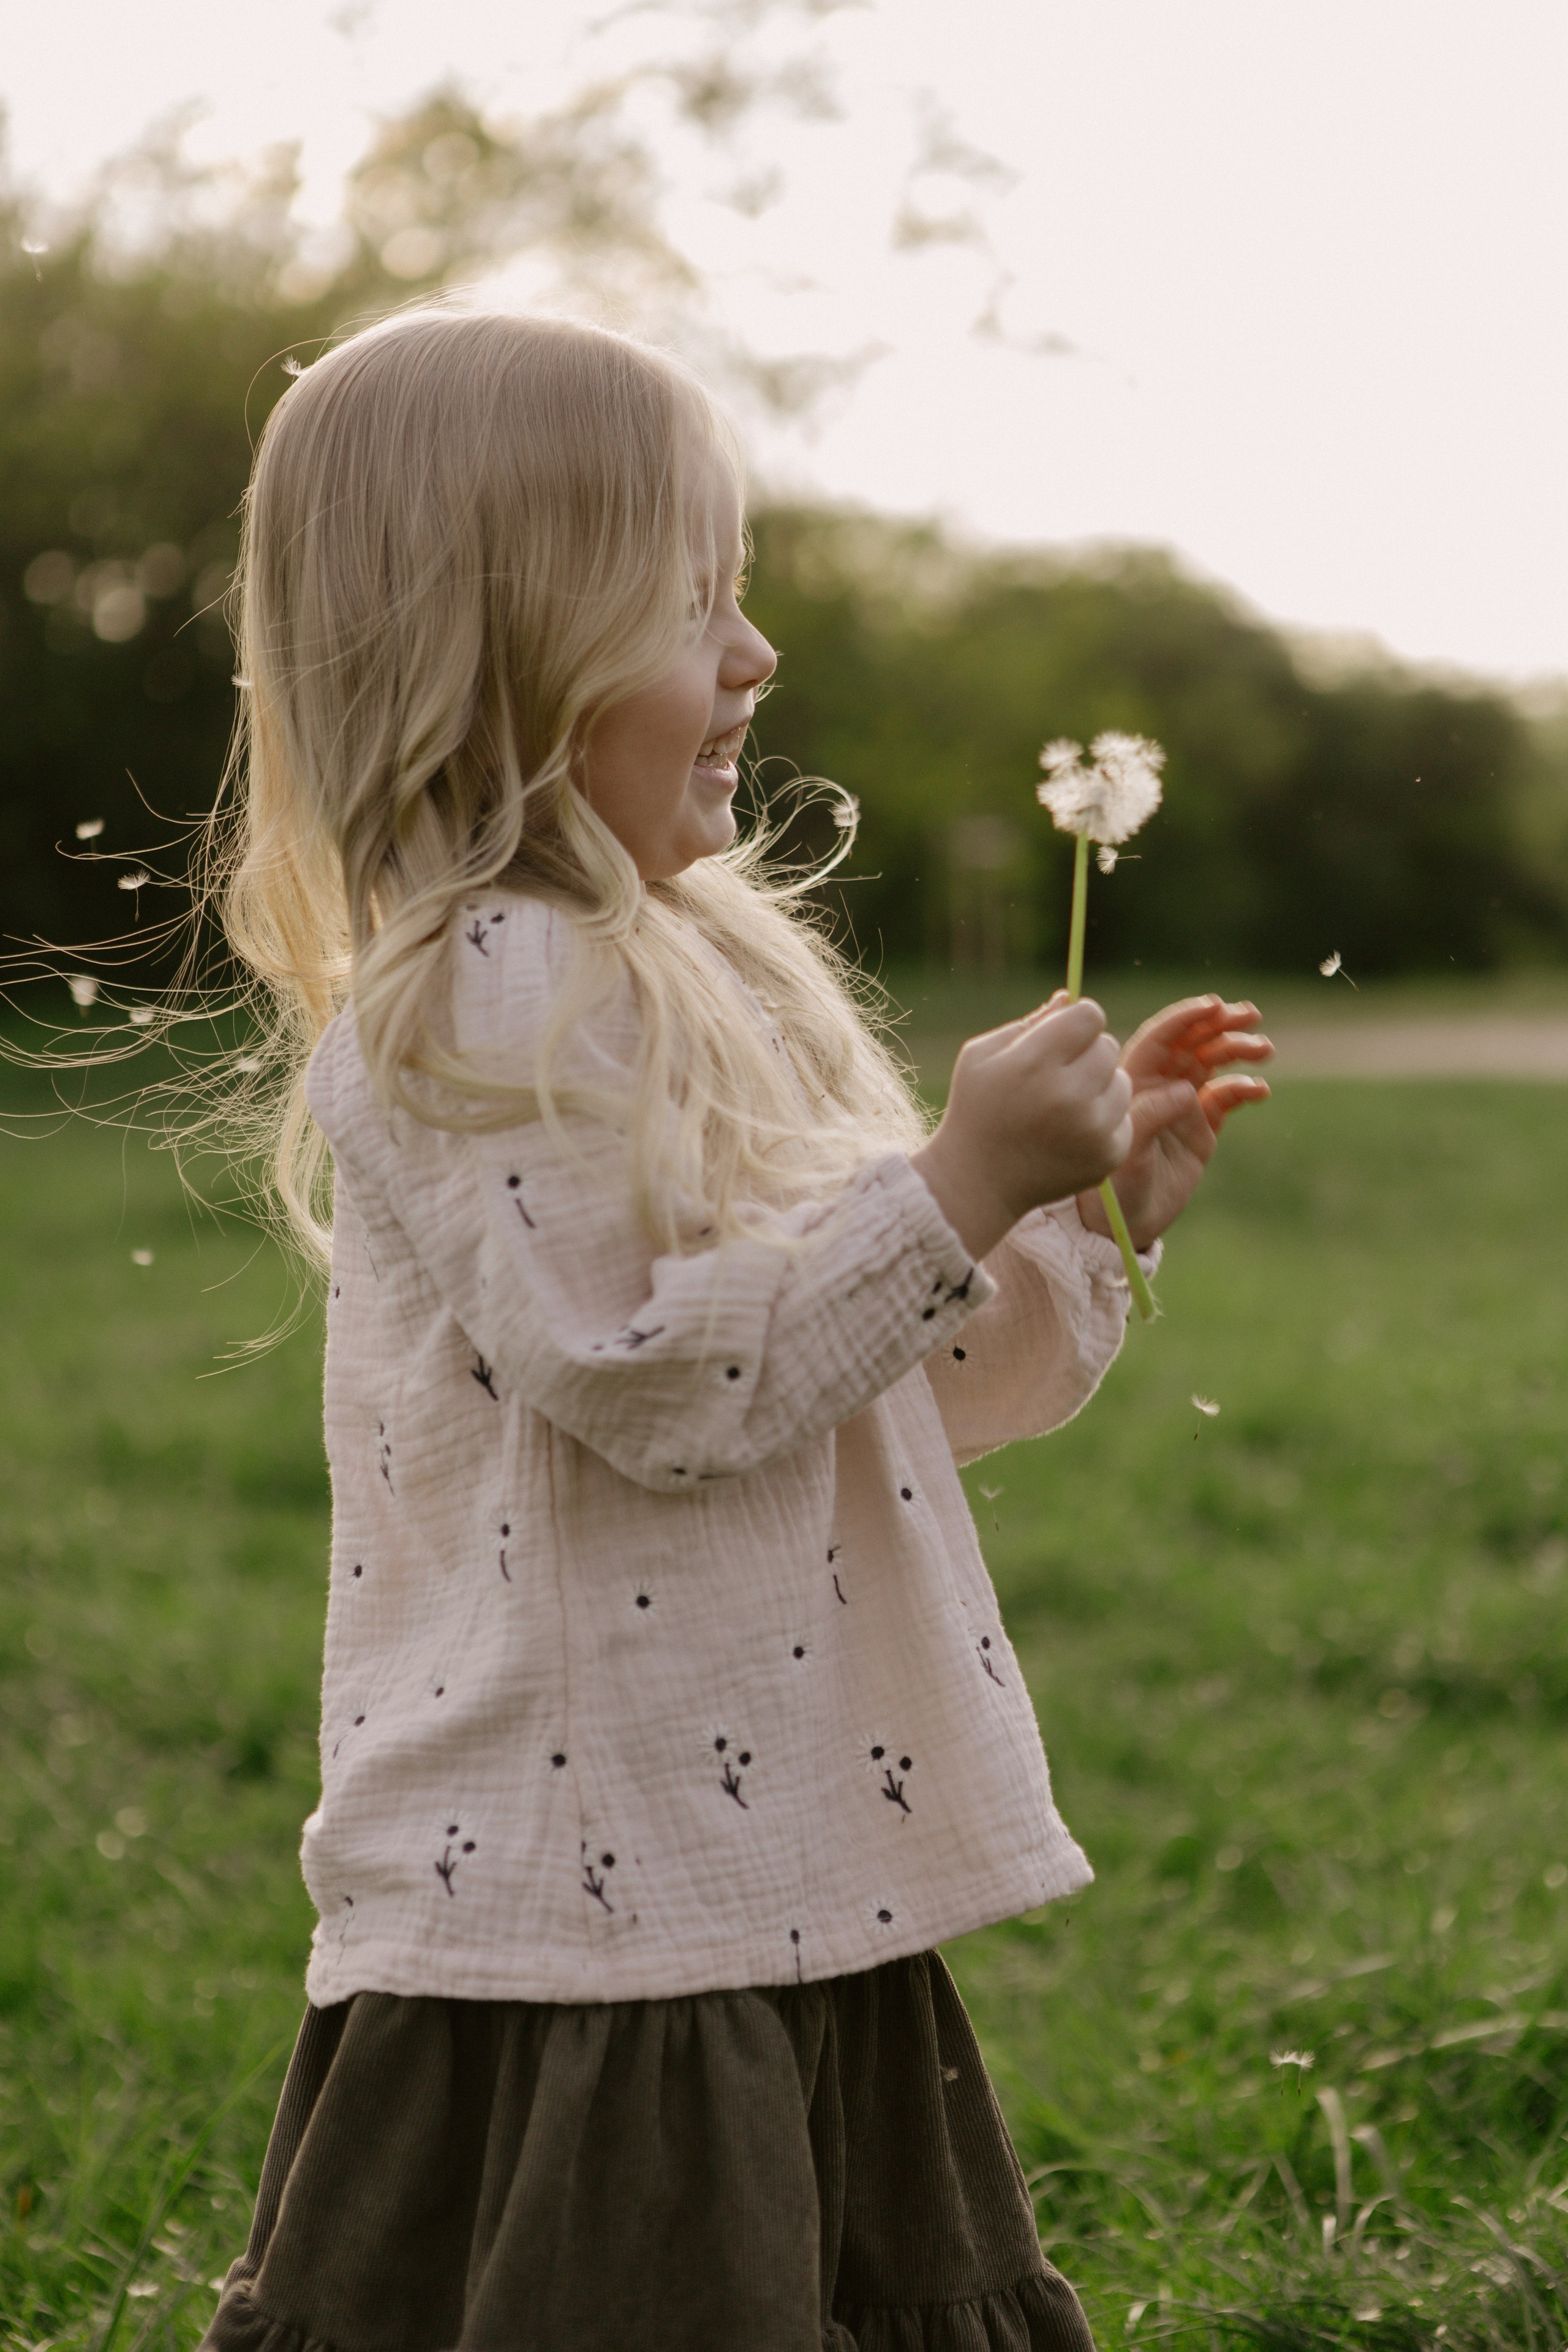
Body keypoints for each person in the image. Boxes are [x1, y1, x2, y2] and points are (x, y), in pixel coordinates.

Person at [198, 307, 1271, 2352]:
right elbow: (665, 1386)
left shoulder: (693, 966)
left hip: (782, 1848)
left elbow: (856, 1380)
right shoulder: (482, 991)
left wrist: (1075, 1212)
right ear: (500, 644)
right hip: (594, 1904)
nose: (759, 655)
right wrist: (955, 1183)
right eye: (696, 601)